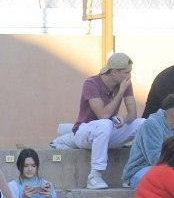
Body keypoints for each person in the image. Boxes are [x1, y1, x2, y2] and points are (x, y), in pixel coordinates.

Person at [53, 53, 146, 190]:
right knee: (105, 123)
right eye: (126, 72)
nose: (129, 76)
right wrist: (120, 92)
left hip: (107, 131)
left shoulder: (125, 83)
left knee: (142, 123)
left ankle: (131, 174)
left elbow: (133, 114)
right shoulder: (91, 83)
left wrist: (123, 119)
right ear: (114, 72)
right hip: (84, 133)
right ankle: (94, 176)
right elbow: (103, 114)